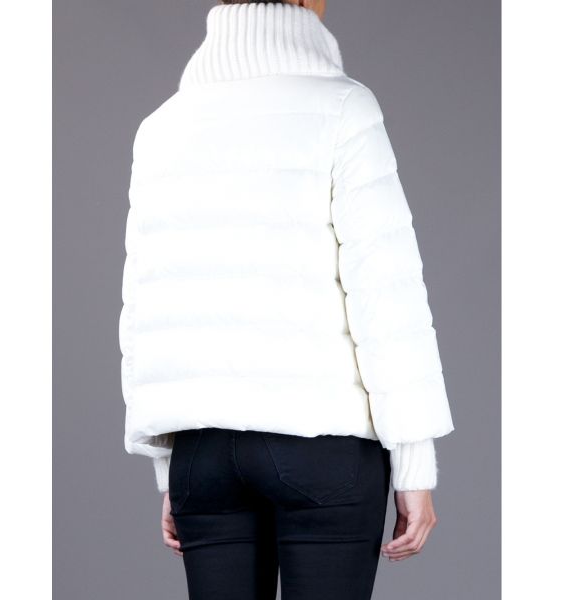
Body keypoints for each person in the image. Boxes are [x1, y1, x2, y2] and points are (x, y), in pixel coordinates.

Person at [119, 1, 455, 597]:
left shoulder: (161, 127)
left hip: (203, 456)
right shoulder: (344, 108)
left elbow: (145, 308)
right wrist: (414, 462)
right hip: (322, 448)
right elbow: (387, 292)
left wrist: (171, 470)